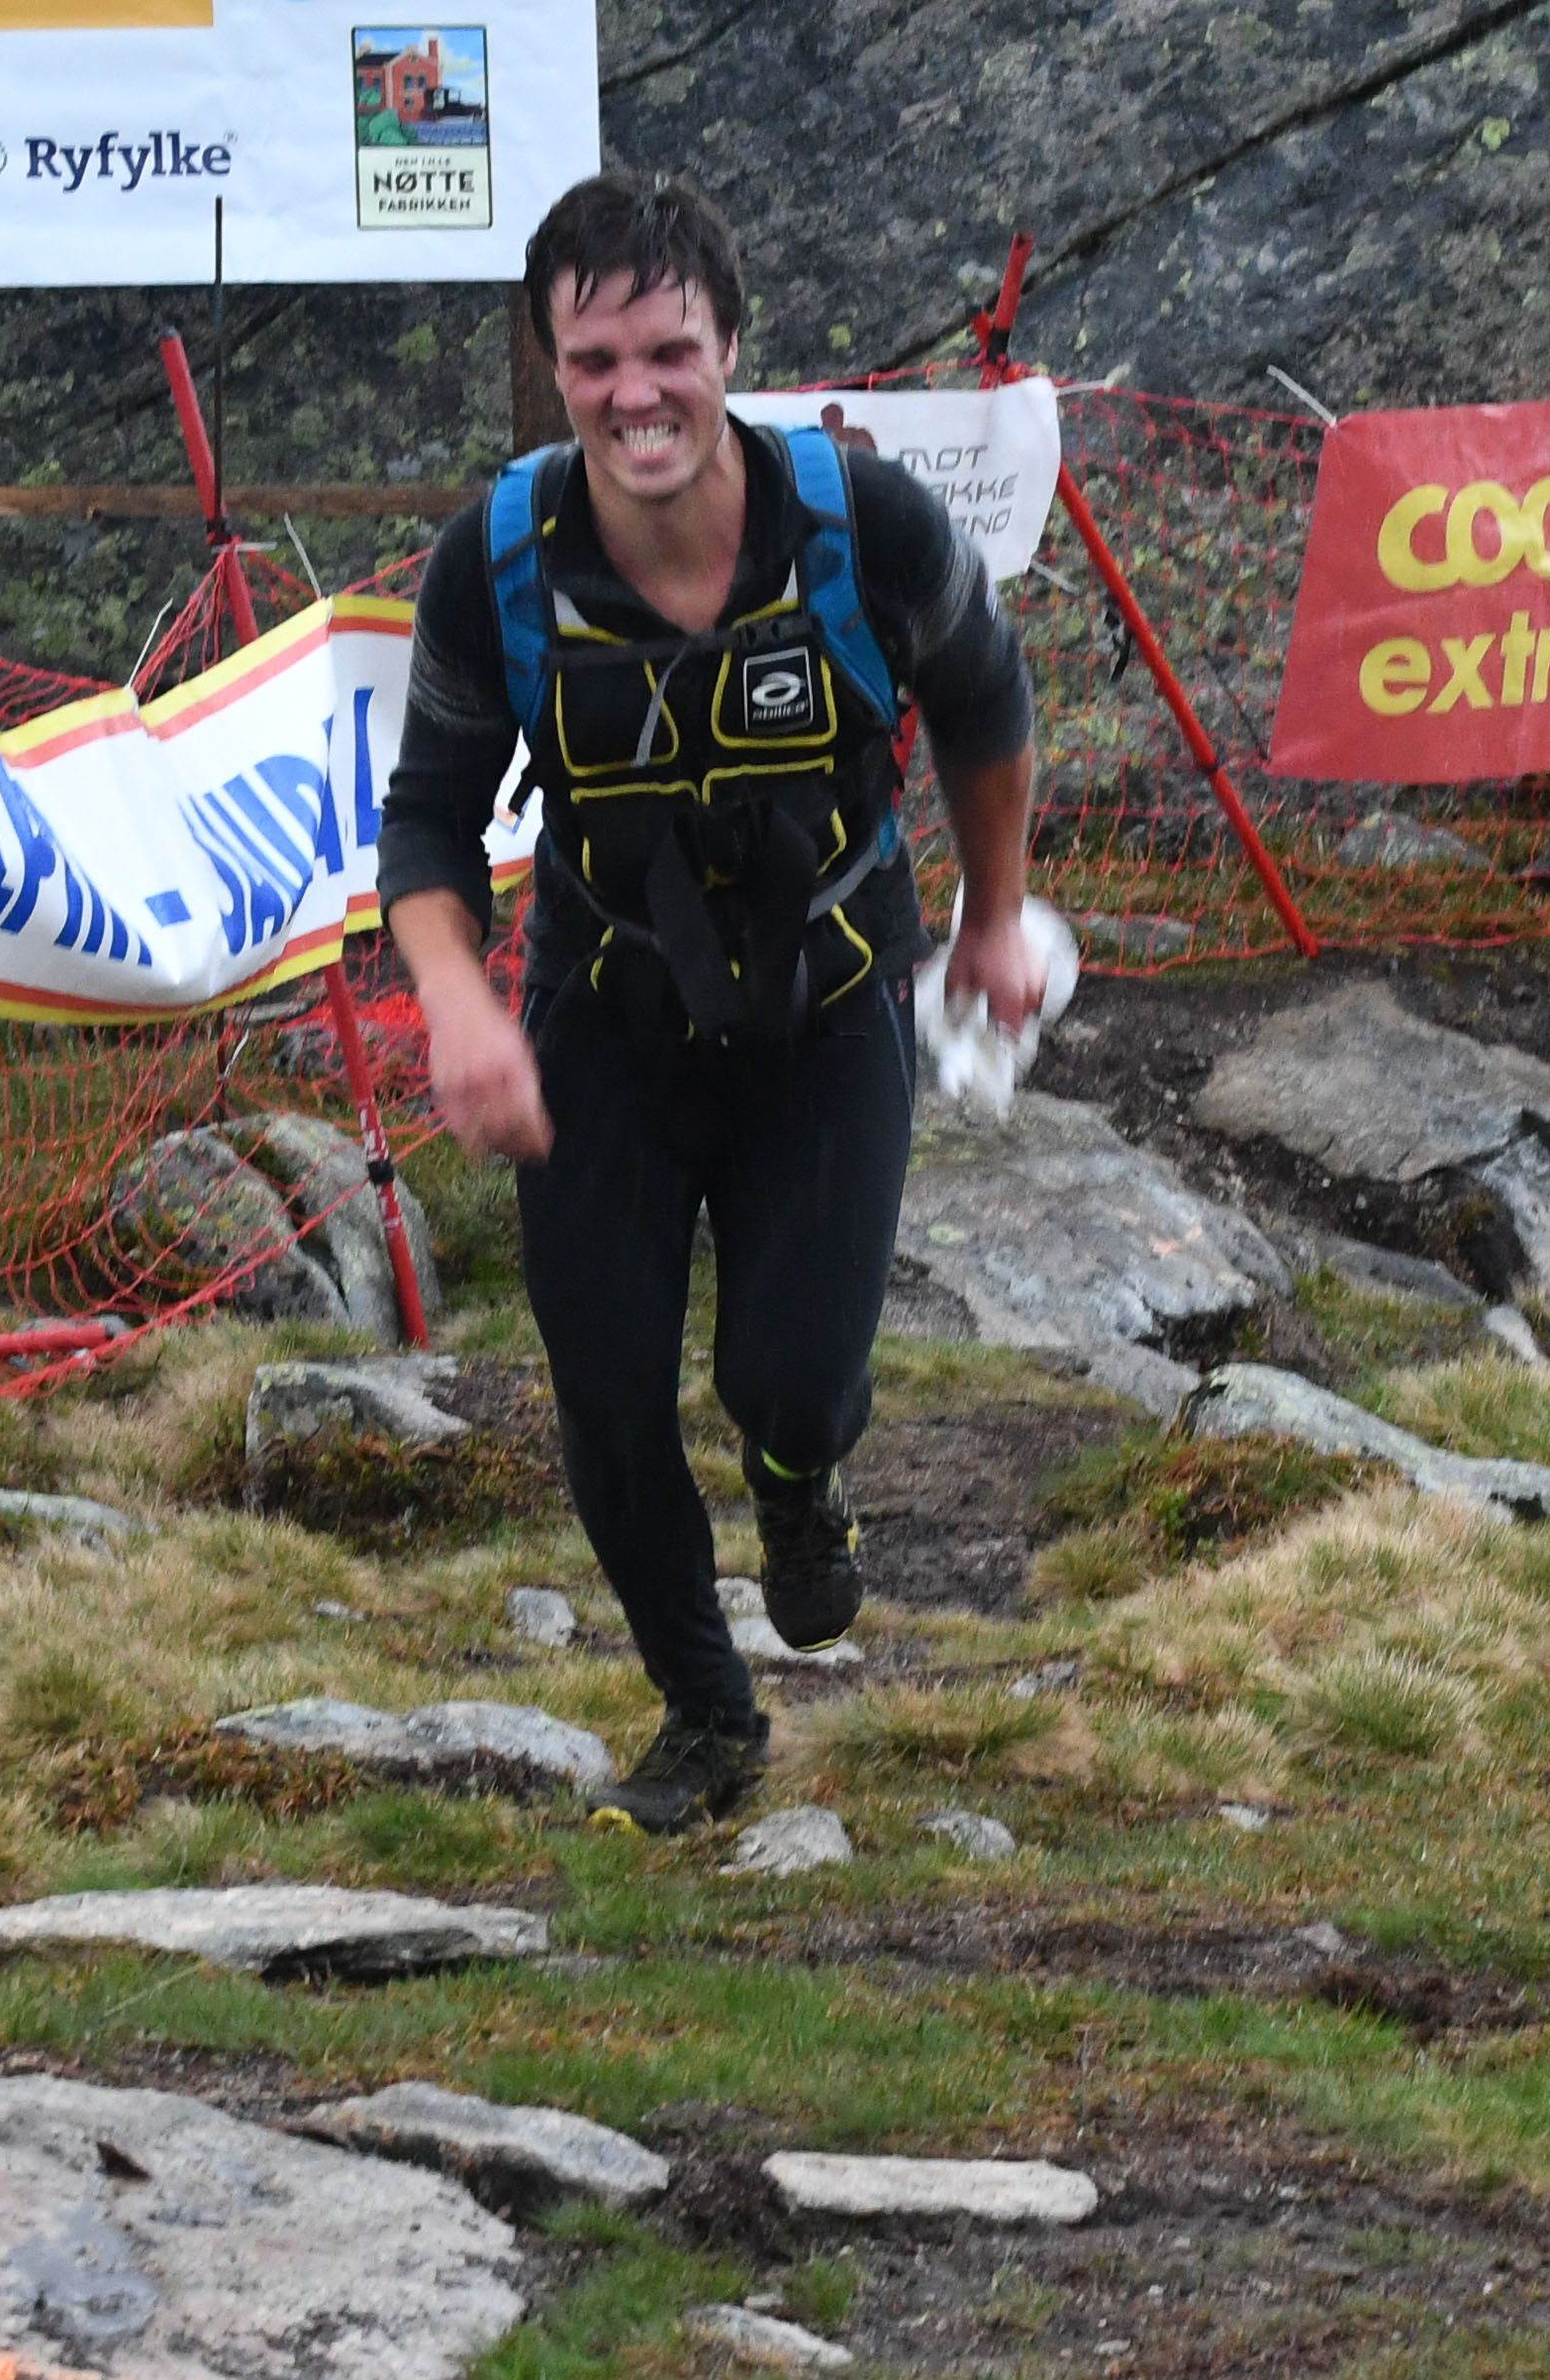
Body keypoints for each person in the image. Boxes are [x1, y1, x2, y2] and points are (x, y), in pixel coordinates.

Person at [377, 170, 1045, 1833]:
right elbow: (428, 820)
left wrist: (992, 920)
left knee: (790, 1380)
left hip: (831, 999)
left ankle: (801, 1477)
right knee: (607, 1395)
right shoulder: (496, 563)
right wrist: (458, 1005)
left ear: (731, 348)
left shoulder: (862, 526)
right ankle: (705, 1713)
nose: (636, 395)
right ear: (554, 367)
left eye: (668, 351)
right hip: (602, 1011)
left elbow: (986, 703)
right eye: (594, 361)